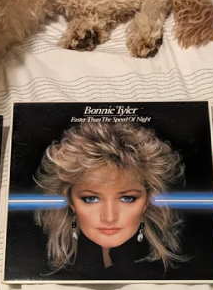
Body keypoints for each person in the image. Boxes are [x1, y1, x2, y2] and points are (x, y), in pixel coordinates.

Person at [33, 120, 186, 280]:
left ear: (148, 200)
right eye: (91, 199)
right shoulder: (40, 268)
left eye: (127, 198)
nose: (109, 217)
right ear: (70, 202)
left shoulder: (175, 275)